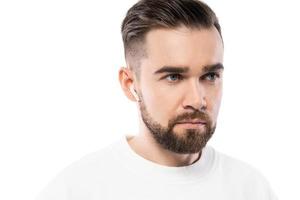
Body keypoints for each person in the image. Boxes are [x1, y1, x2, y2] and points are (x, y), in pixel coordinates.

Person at [36, 0, 278, 199]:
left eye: (210, 75)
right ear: (130, 84)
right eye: (173, 77)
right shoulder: (76, 190)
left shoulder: (251, 189)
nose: (197, 99)